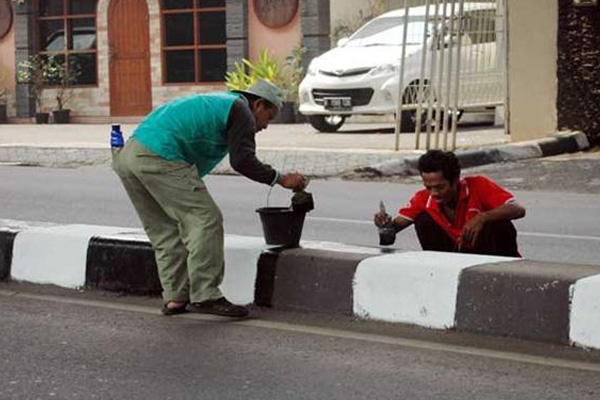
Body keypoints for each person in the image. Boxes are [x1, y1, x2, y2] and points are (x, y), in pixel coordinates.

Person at [113, 80, 308, 318]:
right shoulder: (241, 110)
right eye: (270, 116)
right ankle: (206, 295)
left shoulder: (220, 103)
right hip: (160, 155)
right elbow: (243, 161)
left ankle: (176, 298)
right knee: (205, 219)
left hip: (129, 157)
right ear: (258, 104)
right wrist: (281, 179)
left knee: (165, 230)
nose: (266, 125)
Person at [374, 150, 525, 257]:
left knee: (497, 222)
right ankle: (441, 268)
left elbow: (518, 209)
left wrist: (482, 217)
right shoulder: (423, 198)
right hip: (456, 256)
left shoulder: (478, 185)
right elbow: (388, 239)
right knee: (423, 220)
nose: (434, 193)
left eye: (440, 187)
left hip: (492, 256)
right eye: (428, 187)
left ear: (455, 180)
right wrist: (385, 227)